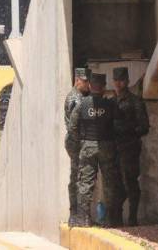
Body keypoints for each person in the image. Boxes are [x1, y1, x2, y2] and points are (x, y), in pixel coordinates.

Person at [68, 73, 124, 227]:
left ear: (90, 86)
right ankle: (112, 219)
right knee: (110, 182)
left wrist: (81, 141)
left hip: (87, 146)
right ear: (104, 87)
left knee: (85, 182)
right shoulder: (111, 105)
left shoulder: (82, 104)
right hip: (107, 146)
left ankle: (84, 218)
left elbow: (72, 127)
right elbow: (119, 125)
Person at [113, 66, 150, 226]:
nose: (118, 84)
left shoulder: (135, 101)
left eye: (121, 80)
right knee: (116, 183)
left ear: (127, 81)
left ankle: (132, 218)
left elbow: (144, 126)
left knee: (130, 181)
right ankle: (116, 218)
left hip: (130, 148)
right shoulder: (112, 102)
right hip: (114, 148)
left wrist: (129, 131)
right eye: (116, 81)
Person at [64, 67, 91, 226]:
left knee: (78, 177)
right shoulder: (75, 99)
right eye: (85, 82)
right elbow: (74, 126)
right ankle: (75, 214)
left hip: (77, 142)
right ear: (77, 80)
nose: (88, 85)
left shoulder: (80, 96)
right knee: (76, 178)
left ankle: (77, 214)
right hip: (76, 143)